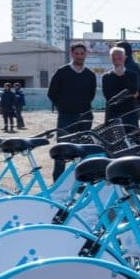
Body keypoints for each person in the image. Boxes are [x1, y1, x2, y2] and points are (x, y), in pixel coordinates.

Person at [47, 43, 97, 181]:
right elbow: (51, 93)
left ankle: (79, 182)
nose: (79, 56)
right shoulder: (62, 72)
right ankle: (58, 182)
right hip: (66, 117)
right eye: (77, 53)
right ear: (71, 54)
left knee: (83, 150)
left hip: (85, 117)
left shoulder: (90, 75)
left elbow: (91, 95)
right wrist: (63, 107)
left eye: (82, 53)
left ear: (86, 54)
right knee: (62, 150)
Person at [102, 46, 140, 125]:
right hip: (113, 113)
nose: (117, 61)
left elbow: (134, 90)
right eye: (114, 59)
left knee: (133, 136)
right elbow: (109, 96)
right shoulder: (106, 76)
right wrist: (128, 95)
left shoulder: (133, 74)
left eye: (119, 58)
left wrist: (122, 76)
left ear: (124, 58)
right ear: (111, 59)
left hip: (130, 113)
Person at [116, 41, 140, 129]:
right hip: (131, 105)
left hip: (130, 106)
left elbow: (139, 87)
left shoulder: (129, 67)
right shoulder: (131, 65)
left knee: (127, 134)